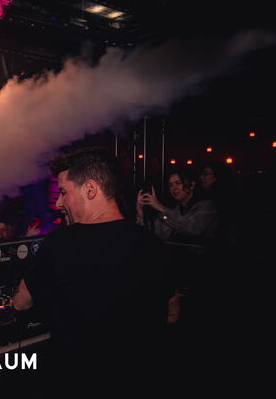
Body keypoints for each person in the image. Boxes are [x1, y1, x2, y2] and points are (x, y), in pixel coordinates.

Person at [12, 147, 172, 398]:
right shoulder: (151, 241)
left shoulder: (60, 243)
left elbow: (21, 303)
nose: (58, 203)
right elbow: (171, 311)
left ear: (90, 189)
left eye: (63, 192)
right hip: (139, 381)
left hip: (79, 382)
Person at [136, 169, 219, 244]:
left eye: (178, 183)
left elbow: (192, 229)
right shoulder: (174, 209)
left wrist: (161, 207)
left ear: (192, 185)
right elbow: (156, 234)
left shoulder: (207, 206)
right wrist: (140, 212)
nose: (174, 188)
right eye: (171, 185)